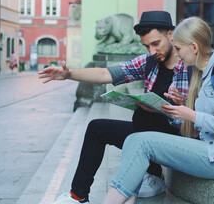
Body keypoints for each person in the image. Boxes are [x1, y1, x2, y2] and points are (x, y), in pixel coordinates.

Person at [38, 11, 191, 204]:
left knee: (148, 119)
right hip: (147, 136)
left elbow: (203, 116)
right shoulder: (149, 62)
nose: (152, 51)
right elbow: (105, 74)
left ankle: (154, 174)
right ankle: (78, 196)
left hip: (177, 140)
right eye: (146, 46)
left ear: (171, 34)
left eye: (156, 44)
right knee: (97, 128)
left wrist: (181, 106)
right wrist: (69, 75)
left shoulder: (189, 65)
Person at [101, 17, 214, 204]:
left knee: (142, 142)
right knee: (133, 139)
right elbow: (205, 120)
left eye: (178, 48)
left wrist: (192, 115)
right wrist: (178, 108)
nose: (176, 55)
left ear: (194, 47)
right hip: (213, 149)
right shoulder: (203, 72)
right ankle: (125, 198)